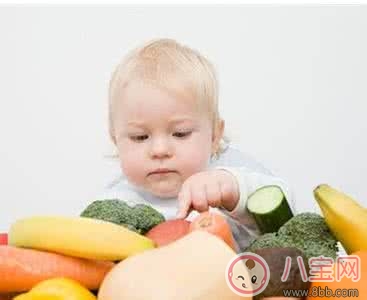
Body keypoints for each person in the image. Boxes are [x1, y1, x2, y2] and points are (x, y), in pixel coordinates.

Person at [98, 38, 294, 252]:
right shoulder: (115, 204)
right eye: (140, 137)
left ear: (214, 137)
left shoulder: (227, 178)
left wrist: (233, 191)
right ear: (115, 139)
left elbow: (288, 211)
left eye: (180, 134)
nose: (159, 150)